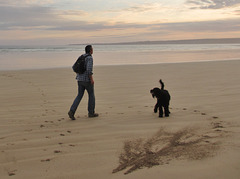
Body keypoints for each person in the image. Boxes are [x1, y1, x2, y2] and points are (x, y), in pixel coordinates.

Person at [68, 45, 98, 120]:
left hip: (79, 79)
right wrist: (91, 79)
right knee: (91, 95)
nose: (92, 50)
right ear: (90, 50)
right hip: (87, 80)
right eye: (92, 49)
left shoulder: (82, 56)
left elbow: (74, 67)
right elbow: (89, 70)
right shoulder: (89, 58)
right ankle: (91, 112)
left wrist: (79, 74)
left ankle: (72, 111)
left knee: (79, 95)